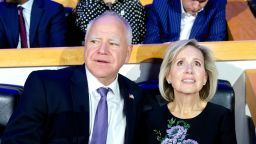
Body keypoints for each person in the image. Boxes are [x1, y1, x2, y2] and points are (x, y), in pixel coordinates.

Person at [1, 11, 144, 144]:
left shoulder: (136, 95)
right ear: (85, 45)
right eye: (94, 41)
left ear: (127, 53)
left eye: (113, 43)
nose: (102, 50)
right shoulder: (44, 86)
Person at [137, 39, 237, 143]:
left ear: (205, 77)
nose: (189, 70)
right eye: (180, 63)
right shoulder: (150, 119)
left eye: (196, 63)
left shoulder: (222, 117)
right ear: (168, 76)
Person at [144, 0, 227, 44]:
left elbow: (216, 42)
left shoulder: (217, 4)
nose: (195, 6)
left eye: (202, 1)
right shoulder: (161, 3)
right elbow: (151, 43)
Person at [73, 0, 146, 45]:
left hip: (129, 63)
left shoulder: (133, 5)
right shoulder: (85, 6)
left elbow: (143, 40)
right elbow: (78, 41)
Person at [0, 0, 67, 48]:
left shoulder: (53, 10)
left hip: (44, 64)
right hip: (10, 64)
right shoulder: (2, 10)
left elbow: (58, 49)